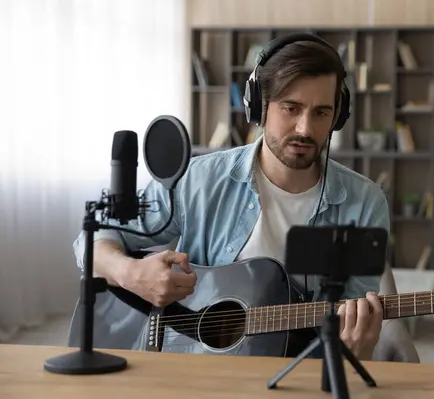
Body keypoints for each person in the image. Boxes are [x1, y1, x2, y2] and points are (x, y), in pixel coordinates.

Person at [73, 33, 389, 361]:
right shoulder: (198, 179)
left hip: (297, 374)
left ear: (338, 116)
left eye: (322, 113)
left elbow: (352, 319)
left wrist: (356, 347)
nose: (305, 129)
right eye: (291, 108)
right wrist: (131, 274)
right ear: (259, 104)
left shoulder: (364, 203)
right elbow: (94, 238)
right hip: (190, 367)